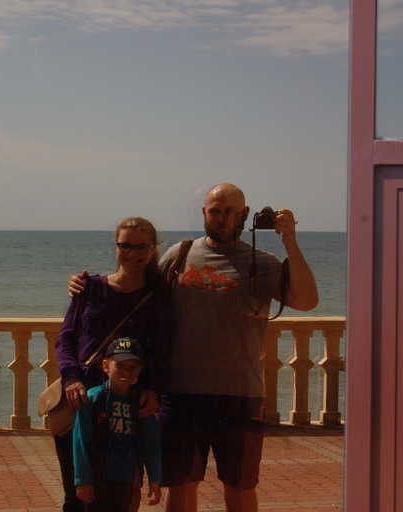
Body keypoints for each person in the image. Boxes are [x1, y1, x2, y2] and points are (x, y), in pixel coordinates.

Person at [69, 184, 319, 512]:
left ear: (245, 215)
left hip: (241, 396)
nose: (222, 218)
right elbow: (133, 286)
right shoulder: (180, 255)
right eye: (215, 211)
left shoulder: (262, 262)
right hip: (180, 396)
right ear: (204, 213)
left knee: (241, 487)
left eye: (230, 211)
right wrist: (87, 285)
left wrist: (290, 242)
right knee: (180, 487)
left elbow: (307, 300)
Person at [55, 217, 169, 512]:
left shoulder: (156, 300)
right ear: (115, 246)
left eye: (141, 247)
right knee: (76, 496)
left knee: (119, 495)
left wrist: (154, 391)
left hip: (125, 410)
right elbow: (66, 339)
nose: (133, 253)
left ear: (153, 249)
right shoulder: (89, 288)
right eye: (125, 246)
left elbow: (160, 355)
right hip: (81, 401)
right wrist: (71, 379)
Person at [73, 338, 163, 512]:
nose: (126, 371)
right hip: (98, 479)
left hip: (129, 480)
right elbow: (80, 442)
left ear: (140, 371)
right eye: (120, 365)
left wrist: (155, 479)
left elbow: (152, 445)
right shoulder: (93, 399)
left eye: (133, 367)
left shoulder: (141, 404)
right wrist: (82, 479)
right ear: (106, 366)